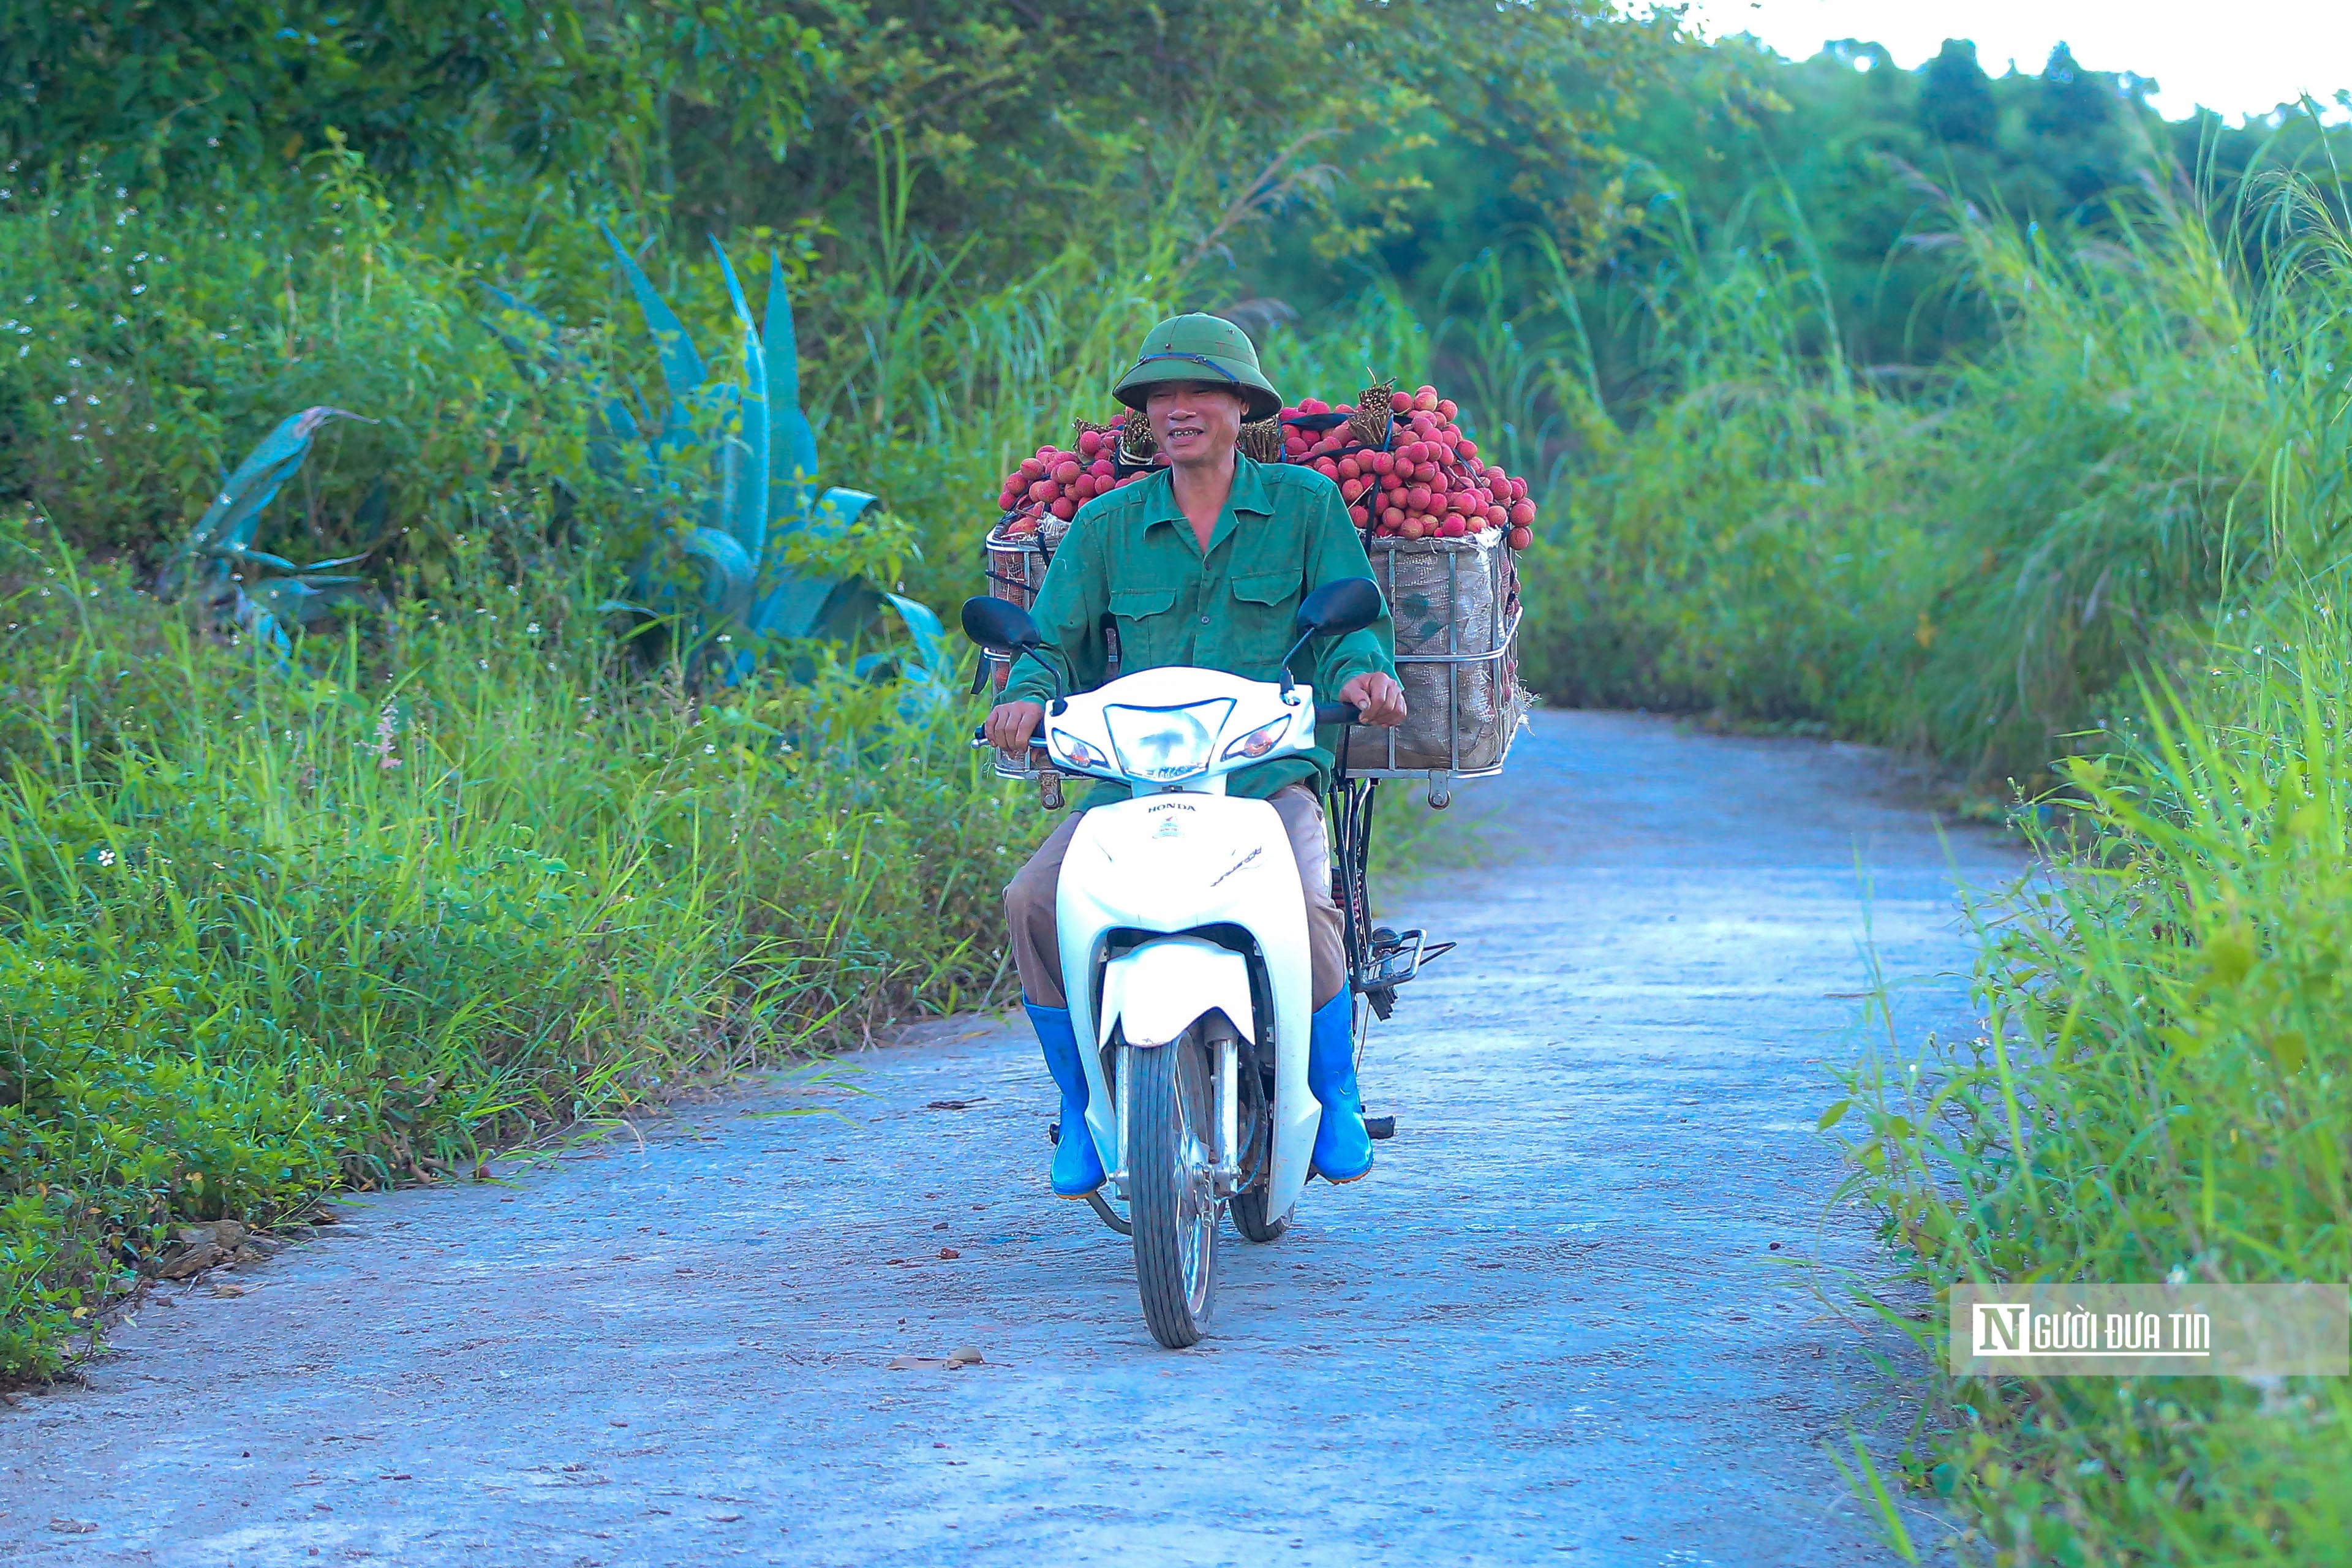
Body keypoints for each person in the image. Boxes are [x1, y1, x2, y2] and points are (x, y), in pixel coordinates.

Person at [988, 312, 1408, 1198]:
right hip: (1135, 786)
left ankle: (1332, 1089)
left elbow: (1349, 626)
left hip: (1262, 779)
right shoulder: (1106, 525)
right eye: (1162, 396)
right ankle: (1080, 1106)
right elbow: (1053, 644)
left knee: (1304, 901)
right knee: (1034, 898)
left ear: (1240, 406)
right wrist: (1026, 695)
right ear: (1144, 415)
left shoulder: (1304, 506)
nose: (1180, 409)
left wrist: (1366, 677)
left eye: (1200, 392)